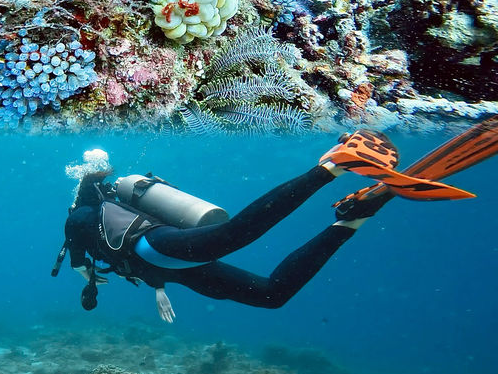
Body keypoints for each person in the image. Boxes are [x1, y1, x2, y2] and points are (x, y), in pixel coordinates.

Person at [54, 123, 498, 322]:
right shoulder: (91, 214)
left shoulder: (79, 217)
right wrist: (158, 288)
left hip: (156, 248)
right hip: (168, 264)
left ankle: (334, 164)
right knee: (272, 296)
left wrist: (87, 277)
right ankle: (353, 217)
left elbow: (88, 258)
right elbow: (113, 258)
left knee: (234, 236)